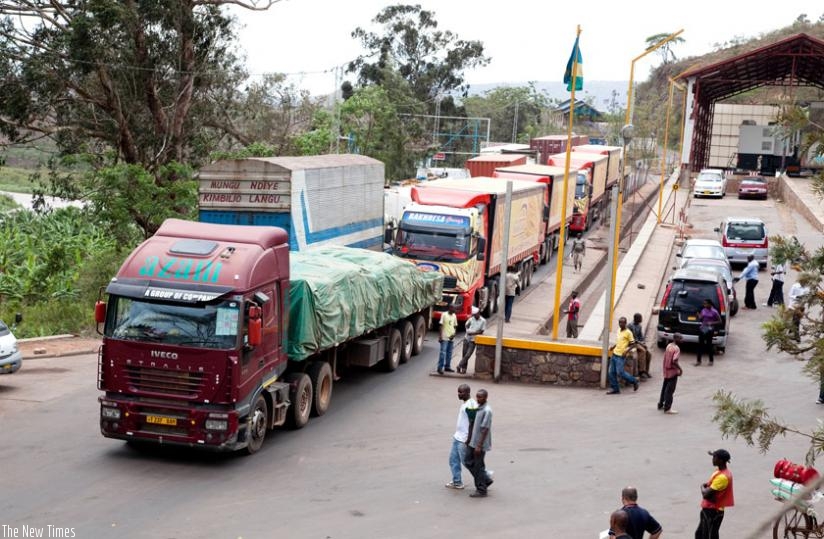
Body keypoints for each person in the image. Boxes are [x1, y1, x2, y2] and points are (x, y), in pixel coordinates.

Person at [695, 449, 734, 539]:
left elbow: (705, 494)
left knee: (707, 536)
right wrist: (706, 487)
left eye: (714, 457)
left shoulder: (722, 477)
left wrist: (702, 486)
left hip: (713, 511)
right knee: (700, 534)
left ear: (720, 460)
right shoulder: (719, 472)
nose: (712, 459)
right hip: (710, 510)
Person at [445, 384, 476, 490]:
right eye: (458, 392)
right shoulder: (465, 403)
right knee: (453, 460)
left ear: (467, 392)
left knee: (467, 463)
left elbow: (473, 423)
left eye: (461, 392)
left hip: (464, 439)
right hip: (457, 437)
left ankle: (485, 478)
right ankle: (457, 482)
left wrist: (469, 439)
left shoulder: (471, 405)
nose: (458, 394)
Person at [464, 388, 492, 498]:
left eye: (480, 397)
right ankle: (485, 479)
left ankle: (481, 489)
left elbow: (485, 429)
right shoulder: (478, 407)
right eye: (477, 397)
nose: (478, 399)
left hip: (480, 444)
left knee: (478, 465)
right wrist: (469, 439)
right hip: (473, 441)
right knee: (467, 461)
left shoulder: (487, 411)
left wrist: (479, 445)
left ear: (485, 398)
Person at [607, 317, 640, 395]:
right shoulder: (618, 330)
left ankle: (634, 381)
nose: (621, 324)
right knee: (611, 372)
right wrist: (613, 346)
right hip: (614, 354)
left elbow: (633, 344)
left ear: (625, 323)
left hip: (621, 356)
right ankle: (615, 389)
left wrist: (626, 351)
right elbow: (619, 341)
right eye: (620, 322)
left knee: (620, 372)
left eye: (623, 322)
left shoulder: (628, 333)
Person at [658, 333, 683, 414]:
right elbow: (674, 360)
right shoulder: (676, 349)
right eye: (680, 338)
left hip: (666, 370)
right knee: (670, 390)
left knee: (664, 388)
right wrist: (680, 369)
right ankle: (667, 408)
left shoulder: (669, 345)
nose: (682, 340)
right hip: (672, 371)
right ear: (676, 339)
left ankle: (661, 404)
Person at [458, 307, 486, 374]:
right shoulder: (471, 319)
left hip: (473, 340)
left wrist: (472, 333)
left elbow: (481, 331)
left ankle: (459, 365)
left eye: (475, 314)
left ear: (478, 313)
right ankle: (463, 369)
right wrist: (468, 330)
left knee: (468, 355)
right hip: (467, 338)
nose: (474, 316)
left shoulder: (483, 321)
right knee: (464, 354)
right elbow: (466, 325)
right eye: (473, 314)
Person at [695, 299, 721, 366]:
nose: (705, 305)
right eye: (704, 304)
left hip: (710, 330)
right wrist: (698, 315)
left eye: (706, 304)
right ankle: (698, 361)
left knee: (709, 345)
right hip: (703, 328)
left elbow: (719, 321)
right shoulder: (703, 310)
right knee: (700, 345)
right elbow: (701, 318)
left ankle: (711, 360)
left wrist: (711, 323)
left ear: (710, 304)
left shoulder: (714, 312)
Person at [627, 313, 651, 378]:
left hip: (638, 342)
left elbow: (641, 337)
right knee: (643, 351)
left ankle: (646, 371)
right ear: (636, 319)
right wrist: (641, 344)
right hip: (632, 343)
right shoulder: (630, 326)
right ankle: (641, 371)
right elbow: (632, 339)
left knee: (649, 354)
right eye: (640, 318)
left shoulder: (639, 326)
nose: (641, 319)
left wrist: (643, 343)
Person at [437, 305, 458, 374]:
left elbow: (455, 326)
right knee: (443, 353)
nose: (455, 310)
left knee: (449, 353)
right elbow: (440, 325)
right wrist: (440, 336)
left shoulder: (454, 315)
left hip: (451, 337)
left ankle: (447, 366)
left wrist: (454, 334)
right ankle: (440, 368)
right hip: (444, 336)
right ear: (450, 308)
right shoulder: (444, 314)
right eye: (454, 308)